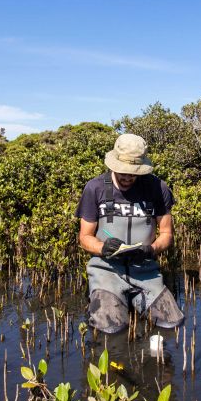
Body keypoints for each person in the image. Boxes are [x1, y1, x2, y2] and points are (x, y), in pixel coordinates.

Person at [75, 134, 184, 334]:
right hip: (106, 270)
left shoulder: (158, 188)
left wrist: (151, 249)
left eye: (133, 173)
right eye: (122, 172)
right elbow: (84, 238)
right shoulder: (95, 188)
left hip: (146, 271)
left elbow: (167, 233)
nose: (127, 177)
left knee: (171, 324)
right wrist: (102, 248)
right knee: (110, 328)